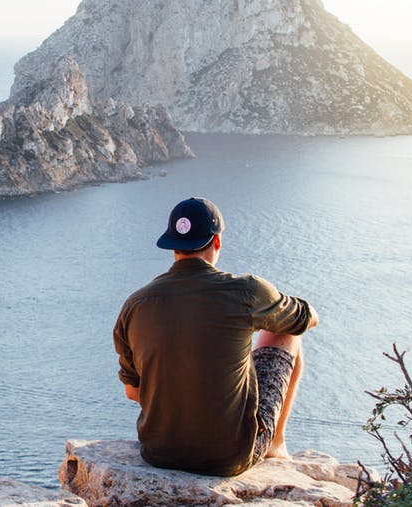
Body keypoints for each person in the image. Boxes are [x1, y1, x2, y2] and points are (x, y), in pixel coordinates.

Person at [113, 197, 318, 476]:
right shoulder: (246, 291)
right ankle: (275, 444)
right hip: (229, 457)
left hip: (158, 452)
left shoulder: (135, 304)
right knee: (287, 334)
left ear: (173, 245)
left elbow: (133, 392)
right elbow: (305, 319)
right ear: (217, 241)